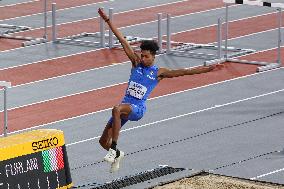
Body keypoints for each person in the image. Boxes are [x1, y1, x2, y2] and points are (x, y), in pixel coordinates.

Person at [98, 8, 223, 173]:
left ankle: (114, 149)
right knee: (102, 142)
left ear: (153, 56)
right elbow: (122, 39)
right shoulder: (135, 63)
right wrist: (107, 21)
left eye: (146, 57)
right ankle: (118, 153)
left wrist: (207, 69)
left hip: (137, 109)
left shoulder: (158, 73)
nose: (142, 59)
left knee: (116, 108)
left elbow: (185, 72)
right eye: (141, 55)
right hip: (124, 107)